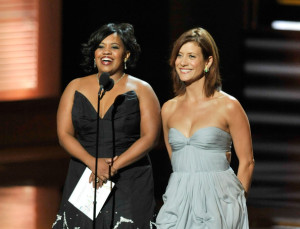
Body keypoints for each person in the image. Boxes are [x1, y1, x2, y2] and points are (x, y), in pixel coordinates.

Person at [52, 23, 161, 228]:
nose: (106, 52)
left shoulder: (142, 89)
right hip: (85, 174)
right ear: (94, 54)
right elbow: (64, 134)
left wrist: (112, 167)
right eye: (101, 46)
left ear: (126, 55)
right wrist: (93, 162)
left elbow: (150, 137)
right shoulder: (74, 86)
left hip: (128, 176)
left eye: (115, 47)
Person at [155, 27, 255, 228]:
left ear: (208, 61)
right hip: (178, 201)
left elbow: (247, 162)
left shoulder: (228, 106)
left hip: (219, 202)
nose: (183, 62)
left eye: (191, 56)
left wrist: (237, 203)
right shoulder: (168, 109)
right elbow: (175, 161)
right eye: (179, 56)